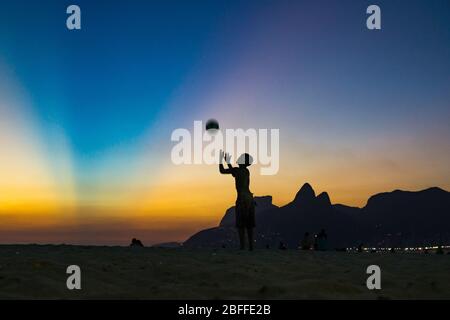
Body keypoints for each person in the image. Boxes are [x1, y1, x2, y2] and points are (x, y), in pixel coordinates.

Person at [219, 150, 255, 251]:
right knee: (249, 225)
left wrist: (221, 161)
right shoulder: (246, 171)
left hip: (242, 199)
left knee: (241, 225)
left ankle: (242, 246)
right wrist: (228, 162)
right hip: (249, 198)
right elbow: (234, 172)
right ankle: (251, 247)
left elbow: (222, 171)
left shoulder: (238, 171)